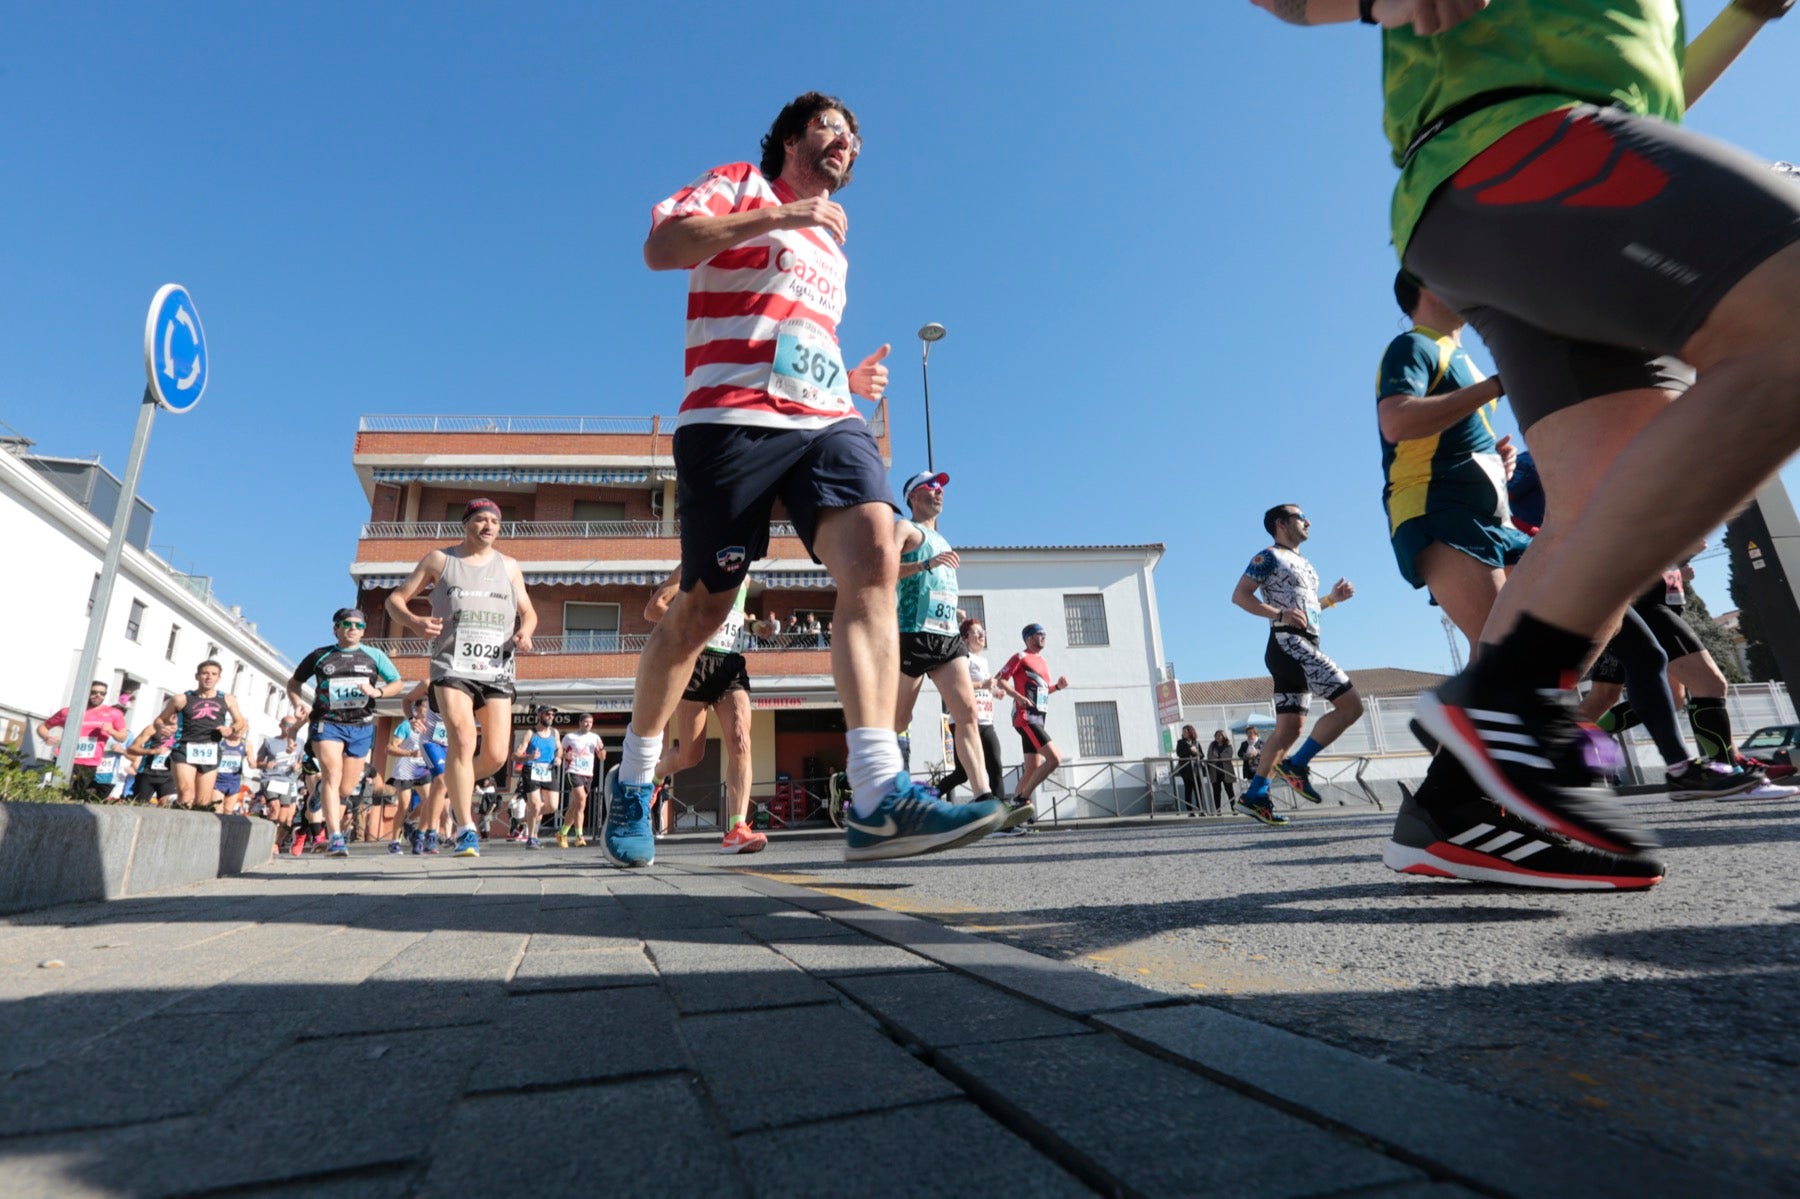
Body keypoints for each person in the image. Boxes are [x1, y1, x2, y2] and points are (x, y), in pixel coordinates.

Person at [1254, 0, 1799, 889]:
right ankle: (1504, 706)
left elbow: (1643, 107)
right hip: (1510, 158)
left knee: (1612, 518)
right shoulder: (1416, 347)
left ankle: (1456, 807)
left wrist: (1743, 15)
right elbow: (1396, 422)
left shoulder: (1459, 346)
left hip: (1560, 183)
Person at [625, 89, 1003, 866]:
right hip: (727, 417)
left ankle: (877, 793)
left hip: (822, 415)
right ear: (793, 137)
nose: (850, 144)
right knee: (701, 611)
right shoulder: (744, 184)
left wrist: (846, 372)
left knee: (875, 551)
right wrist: (781, 217)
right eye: (833, 127)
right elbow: (663, 247)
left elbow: (794, 328)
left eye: (858, 138)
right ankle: (631, 778)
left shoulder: (835, 244)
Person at [1377, 270, 1530, 648]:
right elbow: (1396, 420)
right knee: (1502, 652)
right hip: (1439, 507)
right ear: (1429, 287)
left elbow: (1450, 433)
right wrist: (1497, 385)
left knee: (1553, 639)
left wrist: (1495, 461)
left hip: (1492, 515)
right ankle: (1449, 709)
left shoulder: (1463, 359)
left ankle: (1468, 707)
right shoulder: (1414, 346)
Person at [385, 498, 536, 858]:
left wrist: (526, 633)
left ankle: (451, 787)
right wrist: (416, 622)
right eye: (481, 520)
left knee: (497, 755)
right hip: (451, 664)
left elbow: (528, 612)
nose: (488, 526)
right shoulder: (441, 559)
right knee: (463, 738)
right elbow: (395, 600)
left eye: (495, 522)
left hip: (497, 668)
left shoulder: (510, 566)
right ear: (465, 524)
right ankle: (465, 827)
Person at [1230, 505, 1363, 823]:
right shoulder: (1269, 556)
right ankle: (1297, 765)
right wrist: (1277, 614)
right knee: (1352, 707)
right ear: (1281, 523)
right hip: (1289, 643)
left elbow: (1306, 609)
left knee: (1289, 728)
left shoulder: (1306, 565)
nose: (1308, 521)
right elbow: (1240, 595)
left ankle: (1255, 796)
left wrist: (1331, 599)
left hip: (1300, 643)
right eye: (1300, 517)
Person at [892, 471, 1010, 822]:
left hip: (946, 638)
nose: (939, 492)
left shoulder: (942, 539)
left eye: (941, 488)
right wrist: (926, 563)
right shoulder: (905, 528)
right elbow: (882, 568)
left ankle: (983, 798)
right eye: (931, 487)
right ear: (913, 496)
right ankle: (870, 787)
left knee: (967, 715)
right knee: (898, 720)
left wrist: (955, 611)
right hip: (913, 634)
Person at [644, 571, 778, 854]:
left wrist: (756, 628)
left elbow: (734, 617)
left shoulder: (745, 576)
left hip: (730, 664)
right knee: (690, 755)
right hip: (695, 662)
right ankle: (655, 776)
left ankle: (737, 828)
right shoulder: (695, 562)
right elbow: (653, 609)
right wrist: (695, 628)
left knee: (741, 737)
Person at [287, 608, 403, 857]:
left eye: (359, 626)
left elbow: (397, 682)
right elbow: (294, 683)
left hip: (361, 726)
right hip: (327, 723)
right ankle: (335, 837)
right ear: (336, 628)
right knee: (332, 773)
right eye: (347, 624)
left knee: (347, 788)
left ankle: (318, 795)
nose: (353, 629)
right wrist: (297, 702)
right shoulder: (321, 656)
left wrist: (378, 692)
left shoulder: (374, 656)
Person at [993, 623, 1070, 830]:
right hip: (1026, 718)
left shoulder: (1043, 661)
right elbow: (1000, 679)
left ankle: (1010, 816)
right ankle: (1023, 799)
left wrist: (1057, 688)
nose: (1044, 637)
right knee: (1054, 759)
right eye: (1039, 634)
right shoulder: (1020, 657)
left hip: (1038, 718)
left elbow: (1041, 693)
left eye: (1045, 633)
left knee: (1032, 769)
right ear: (1029, 638)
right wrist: (1017, 697)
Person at [154, 660, 246, 811]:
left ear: (218, 678)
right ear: (197, 676)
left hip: (210, 750)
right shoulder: (181, 699)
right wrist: (162, 728)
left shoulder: (227, 699)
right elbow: (159, 720)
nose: (209, 677)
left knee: (203, 802)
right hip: (184, 748)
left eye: (213, 674)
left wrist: (231, 729)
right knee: (186, 795)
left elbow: (240, 721)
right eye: (205, 673)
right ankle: (178, 827)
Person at [935, 618, 1006, 804]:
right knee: (962, 774)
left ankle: (1000, 816)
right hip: (963, 723)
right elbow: (960, 684)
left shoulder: (982, 660)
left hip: (985, 721)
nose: (982, 635)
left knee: (995, 767)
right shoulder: (964, 657)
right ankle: (929, 796)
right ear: (965, 638)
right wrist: (983, 684)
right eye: (977, 632)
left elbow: (982, 686)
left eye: (983, 631)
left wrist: (995, 692)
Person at [36, 680, 127, 802]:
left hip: (89, 763)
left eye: (102, 693)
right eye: (94, 692)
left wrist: (112, 731)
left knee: (76, 796)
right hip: (64, 758)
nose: (98, 695)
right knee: (58, 793)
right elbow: (43, 727)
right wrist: (46, 737)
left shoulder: (113, 713)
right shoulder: (68, 711)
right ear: (86, 692)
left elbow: (122, 737)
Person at [384, 699, 431, 853]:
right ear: (417, 708)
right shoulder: (406, 725)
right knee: (404, 805)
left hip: (422, 768)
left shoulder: (431, 726)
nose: (427, 709)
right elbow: (389, 748)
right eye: (425, 706)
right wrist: (410, 753)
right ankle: (394, 841)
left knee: (429, 800)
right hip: (405, 769)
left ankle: (412, 824)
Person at [512, 706, 562, 849]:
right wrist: (529, 756)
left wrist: (558, 758)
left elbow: (559, 749)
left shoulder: (555, 733)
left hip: (548, 769)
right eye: (547, 714)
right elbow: (515, 755)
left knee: (552, 806)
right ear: (539, 715)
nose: (551, 717)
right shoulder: (530, 733)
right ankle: (531, 838)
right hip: (531, 770)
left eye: (552, 715)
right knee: (534, 805)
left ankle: (525, 818)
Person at [257, 717, 307, 852]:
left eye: (292, 725)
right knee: (274, 807)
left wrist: (298, 765)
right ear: (280, 725)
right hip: (271, 778)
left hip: (288, 781)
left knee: (284, 817)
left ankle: (275, 842)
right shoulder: (269, 742)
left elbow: (303, 760)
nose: (289, 727)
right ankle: (266, 841)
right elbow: (258, 762)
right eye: (287, 724)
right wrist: (266, 764)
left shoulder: (300, 742)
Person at [558, 712, 604, 848]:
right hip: (573, 771)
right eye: (585, 722)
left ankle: (562, 833)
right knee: (582, 803)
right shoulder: (570, 737)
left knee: (575, 805)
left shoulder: (595, 738)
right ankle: (579, 836)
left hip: (587, 774)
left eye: (590, 722)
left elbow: (602, 756)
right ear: (580, 722)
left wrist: (601, 750)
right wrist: (566, 755)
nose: (588, 724)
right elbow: (560, 753)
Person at [124, 713, 179, 806]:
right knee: (139, 805)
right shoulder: (153, 728)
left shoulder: (184, 731)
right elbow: (132, 749)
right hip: (147, 773)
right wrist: (153, 751)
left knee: (166, 803)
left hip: (169, 776)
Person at [213, 725, 252, 814]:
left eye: (243, 729)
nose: (239, 731)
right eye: (238, 728)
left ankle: (225, 828)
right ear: (232, 726)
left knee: (228, 811)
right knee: (217, 810)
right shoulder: (221, 740)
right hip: (218, 781)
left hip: (234, 782)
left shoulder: (246, 744)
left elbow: (253, 764)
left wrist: (251, 762)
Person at [1174, 725, 1206, 815]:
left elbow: (1202, 755)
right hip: (1186, 770)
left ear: (1190, 732)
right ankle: (1190, 811)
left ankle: (1201, 810)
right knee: (1188, 790)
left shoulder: (1196, 742)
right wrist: (1190, 750)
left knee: (1198, 791)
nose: (1183, 733)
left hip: (1196, 770)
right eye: (1183, 731)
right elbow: (1179, 753)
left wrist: (1196, 752)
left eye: (1185, 731)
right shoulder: (1180, 742)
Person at [1206, 730, 1238, 813]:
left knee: (1229, 791)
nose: (1218, 737)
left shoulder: (1228, 745)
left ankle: (1234, 808)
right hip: (1215, 772)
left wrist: (1218, 756)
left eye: (1219, 735)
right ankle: (1218, 810)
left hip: (1226, 771)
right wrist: (1217, 757)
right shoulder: (1212, 745)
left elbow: (1228, 756)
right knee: (1216, 792)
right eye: (1216, 735)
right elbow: (1209, 756)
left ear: (1224, 736)